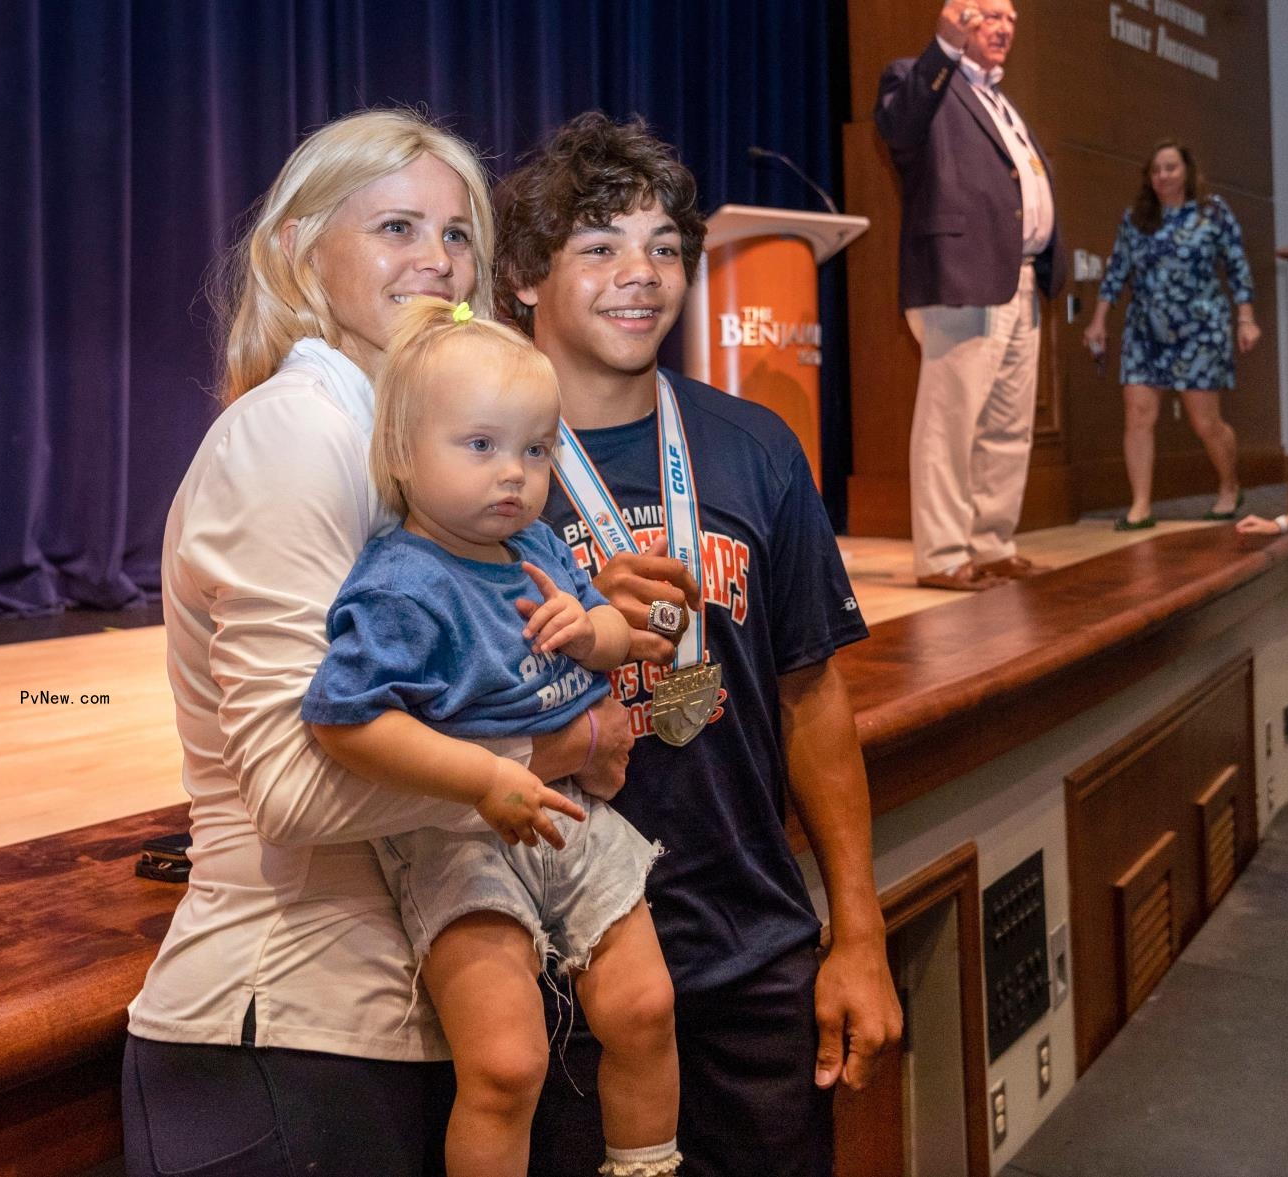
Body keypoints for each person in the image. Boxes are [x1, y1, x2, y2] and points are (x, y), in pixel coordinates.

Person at [123, 108, 645, 1177]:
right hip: (284, 1035)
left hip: (384, 1026)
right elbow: (296, 791)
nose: (437, 262)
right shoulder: (294, 433)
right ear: (296, 253)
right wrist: (559, 752)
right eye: (396, 228)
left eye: (457, 235)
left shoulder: (412, 455)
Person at [495, 111, 902, 1177]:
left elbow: (815, 698)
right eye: (600, 247)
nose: (642, 275)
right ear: (526, 277)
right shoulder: (474, 472)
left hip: (750, 958)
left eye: (665, 248)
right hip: (557, 974)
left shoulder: (756, 447)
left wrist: (856, 933)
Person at [301, 302, 680, 1177]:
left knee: (647, 1005)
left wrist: (593, 634)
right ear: (401, 453)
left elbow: (616, 634)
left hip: (569, 813)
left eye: (535, 449)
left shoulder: (536, 543)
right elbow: (343, 718)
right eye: (480, 446)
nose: (514, 474)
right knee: (508, 1064)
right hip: (456, 834)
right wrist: (481, 776)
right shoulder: (401, 581)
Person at [873, 0, 1063, 591]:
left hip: (1019, 280)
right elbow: (899, 130)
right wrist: (941, 50)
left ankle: (991, 542)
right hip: (960, 277)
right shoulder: (920, 78)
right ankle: (944, 553)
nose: (1004, 26)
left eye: (1011, 17)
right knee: (950, 421)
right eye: (989, 16)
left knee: (1009, 424)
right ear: (957, 19)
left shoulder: (1003, 102)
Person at [1082, 141, 1259, 530]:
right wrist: (1098, 321)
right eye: (1156, 170)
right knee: (1138, 415)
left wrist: (1246, 317)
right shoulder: (1137, 219)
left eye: (1170, 168)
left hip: (1200, 329)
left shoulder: (1212, 212)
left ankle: (1230, 486)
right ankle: (1140, 505)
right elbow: (1116, 274)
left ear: (1186, 171)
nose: (1162, 176)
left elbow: (1237, 266)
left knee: (1205, 422)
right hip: (1145, 330)